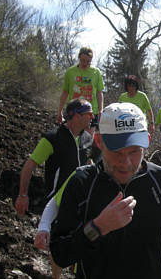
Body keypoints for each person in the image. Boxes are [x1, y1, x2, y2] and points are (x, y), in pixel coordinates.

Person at [50, 102, 161, 279]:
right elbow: (60, 254)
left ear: (147, 142)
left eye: (134, 151)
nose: (126, 162)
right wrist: (98, 227)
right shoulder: (82, 184)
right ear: (99, 142)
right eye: (117, 152)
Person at [15, 98, 93, 279]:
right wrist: (22, 195)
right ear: (73, 116)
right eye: (87, 114)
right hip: (57, 200)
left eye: (91, 114)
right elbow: (29, 166)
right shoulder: (52, 138)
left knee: (81, 239)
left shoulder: (88, 139)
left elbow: (88, 164)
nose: (91, 117)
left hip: (81, 199)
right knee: (58, 244)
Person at [57, 47, 104, 125]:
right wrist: (60, 111)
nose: (85, 63)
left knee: (88, 136)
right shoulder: (70, 72)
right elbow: (65, 92)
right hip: (74, 110)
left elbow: (99, 92)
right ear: (79, 58)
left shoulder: (96, 72)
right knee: (73, 136)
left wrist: (101, 110)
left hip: (90, 111)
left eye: (88, 61)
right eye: (83, 60)